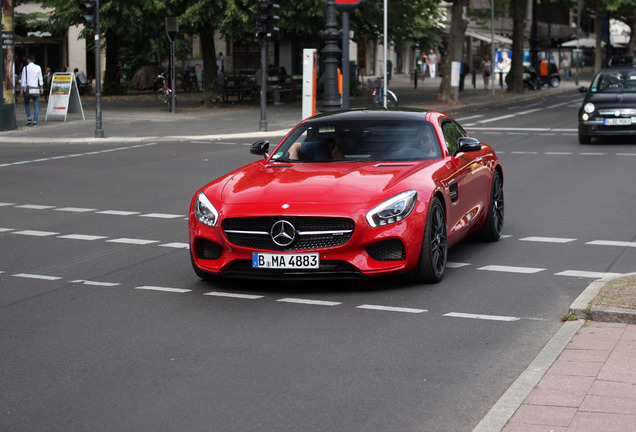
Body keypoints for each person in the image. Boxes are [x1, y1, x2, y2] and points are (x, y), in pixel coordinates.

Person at [287, 129, 355, 161]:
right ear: (336, 138)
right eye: (342, 137)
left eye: (349, 137)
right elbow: (294, 145)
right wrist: (294, 161)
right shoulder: (322, 147)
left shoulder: (364, 151)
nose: (345, 140)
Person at [20, 54, 43, 127]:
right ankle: (35, 121)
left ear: (28, 60)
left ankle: (29, 118)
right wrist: (41, 87)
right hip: (36, 88)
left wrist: (21, 90)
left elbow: (23, 80)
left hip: (27, 89)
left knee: (26, 103)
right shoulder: (38, 67)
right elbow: (40, 79)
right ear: (34, 60)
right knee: (36, 105)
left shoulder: (25, 68)